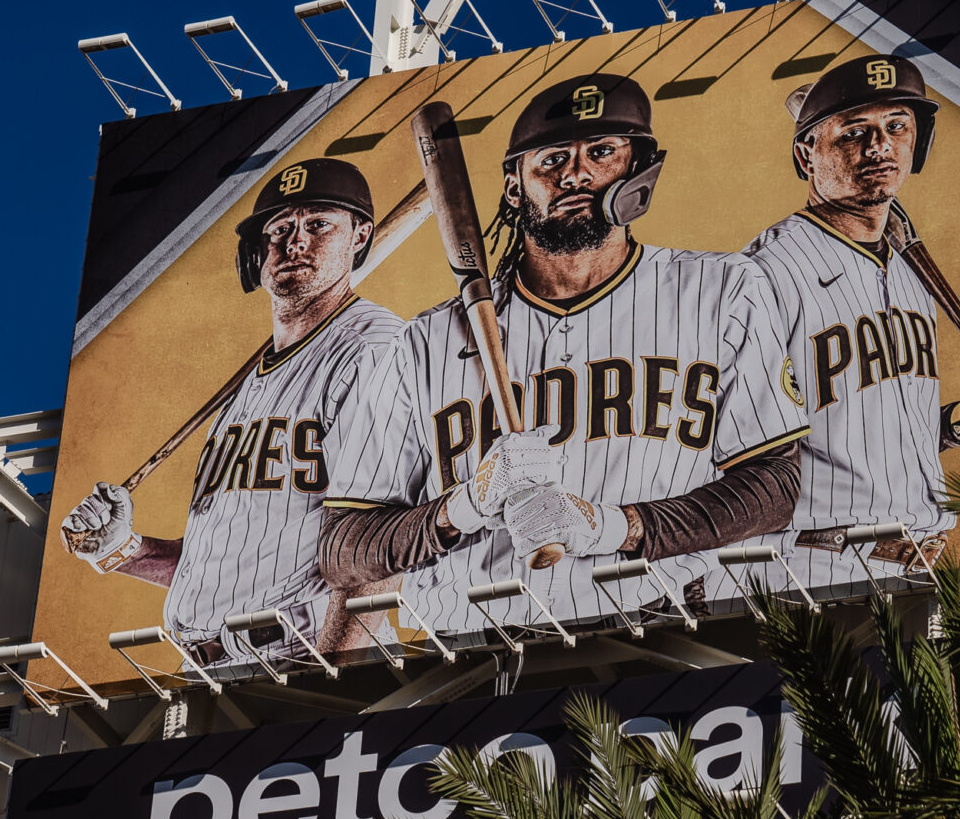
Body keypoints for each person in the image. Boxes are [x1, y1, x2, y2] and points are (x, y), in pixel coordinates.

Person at [317, 74, 807, 634]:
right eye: (550, 159)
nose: (575, 173)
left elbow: (776, 487)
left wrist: (612, 527)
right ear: (513, 188)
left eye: (601, 152)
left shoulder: (721, 291)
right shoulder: (421, 343)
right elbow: (343, 549)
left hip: (660, 629)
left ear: (640, 169)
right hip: (472, 650)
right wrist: (465, 506)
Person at [59, 158, 404, 666]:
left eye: (318, 224)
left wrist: (337, 674)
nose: (296, 242)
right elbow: (224, 569)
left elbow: (379, 542)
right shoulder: (249, 386)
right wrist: (122, 550)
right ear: (256, 255)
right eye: (280, 229)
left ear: (360, 236)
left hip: (305, 657)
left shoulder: (374, 348)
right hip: (210, 668)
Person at [742, 54, 960, 592]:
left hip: (919, 566)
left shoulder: (908, 271)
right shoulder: (763, 276)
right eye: (854, 132)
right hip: (810, 568)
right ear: (806, 153)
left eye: (896, 127)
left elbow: (861, 435)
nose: (879, 146)